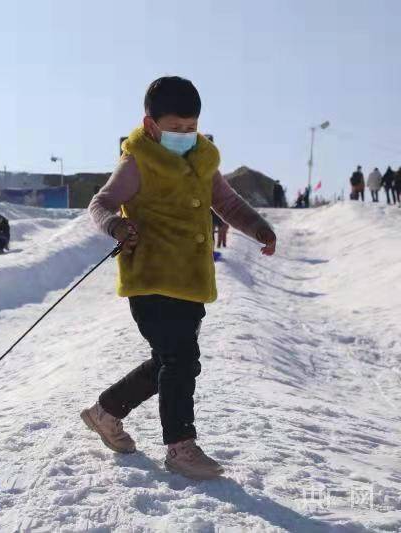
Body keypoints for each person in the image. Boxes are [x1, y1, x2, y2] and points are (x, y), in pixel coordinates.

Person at [83, 77, 276, 480]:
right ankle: (180, 447)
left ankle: (105, 412)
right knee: (181, 359)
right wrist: (116, 227)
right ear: (151, 125)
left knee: (168, 361)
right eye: (176, 128)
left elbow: (225, 203)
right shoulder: (139, 160)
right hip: (150, 277)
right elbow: (101, 202)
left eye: (192, 128)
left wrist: (258, 227)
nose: (186, 136)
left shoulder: (204, 159)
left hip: (189, 281)